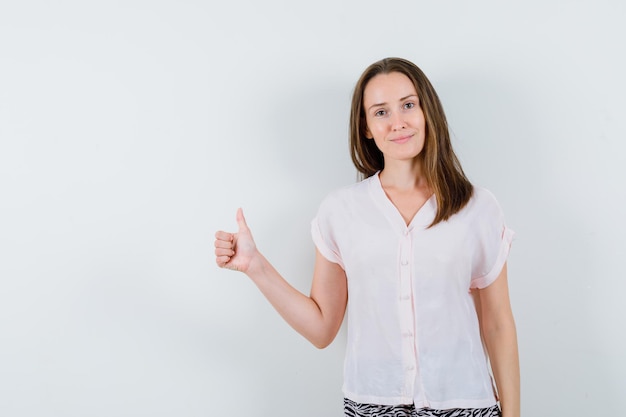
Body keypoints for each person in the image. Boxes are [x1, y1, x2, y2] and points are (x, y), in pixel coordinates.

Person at [214, 57, 520, 417]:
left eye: (408, 105)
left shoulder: (477, 206)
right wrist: (255, 266)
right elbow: (322, 328)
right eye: (380, 112)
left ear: (427, 111)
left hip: (465, 402)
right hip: (373, 404)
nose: (398, 122)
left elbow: (498, 323)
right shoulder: (340, 211)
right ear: (366, 128)